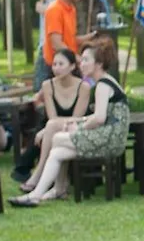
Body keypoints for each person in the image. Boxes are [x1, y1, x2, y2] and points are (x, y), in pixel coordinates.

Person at [12, 45, 128, 206]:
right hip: (108, 135)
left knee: (58, 137)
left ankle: (43, 189)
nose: (82, 63)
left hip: (110, 139)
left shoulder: (102, 85)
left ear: (99, 64)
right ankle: (42, 193)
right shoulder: (103, 82)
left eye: (86, 60)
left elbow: (100, 118)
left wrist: (79, 128)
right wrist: (78, 123)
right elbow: (96, 116)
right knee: (58, 152)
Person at [14, 47, 91, 185]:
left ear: (72, 66)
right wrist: (47, 128)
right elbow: (52, 117)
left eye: (61, 64)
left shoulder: (84, 87)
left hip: (76, 126)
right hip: (52, 124)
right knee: (48, 127)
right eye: (54, 64)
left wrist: (45, 131)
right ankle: (46, 176)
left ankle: (40, 173)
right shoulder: (48, 85)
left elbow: (76, 118)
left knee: (48, 128)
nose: (56, 68)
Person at [32, 0, 60, 88]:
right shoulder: (48, 0)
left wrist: (44, 10)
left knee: (40, 85)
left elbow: (57, 15)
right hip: (43, 46)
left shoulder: (58, 0)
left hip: (51, 48)